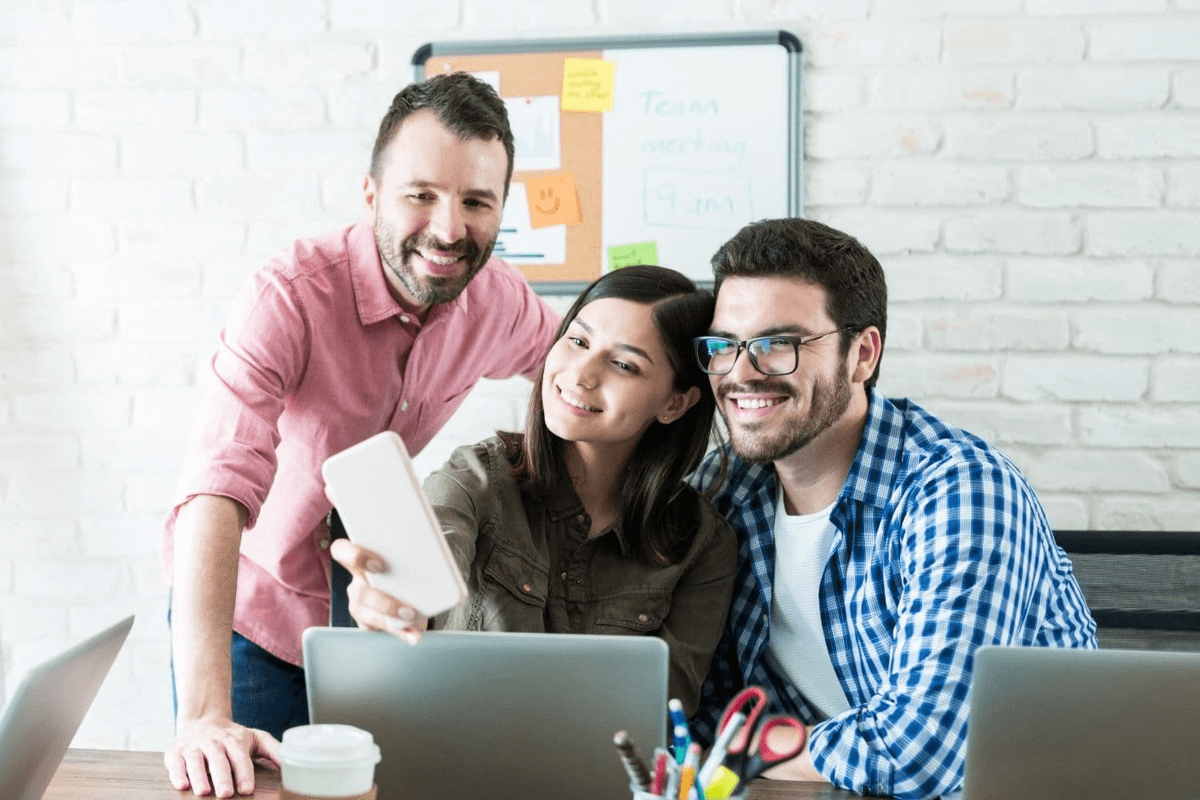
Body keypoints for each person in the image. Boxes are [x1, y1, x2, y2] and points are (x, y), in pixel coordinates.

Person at [162, 72, 560, 798]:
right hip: (253, 618)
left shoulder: (497, 301)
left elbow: (574, 371)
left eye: (476, 202)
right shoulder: (287, 296)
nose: (449, 229)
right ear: (372, 194)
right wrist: (204, 716)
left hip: (376, 631)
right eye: (421, 194)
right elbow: (215, 487)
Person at [688, 218, 1097, 800]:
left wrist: (749, 749)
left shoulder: (959, 491)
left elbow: (919, 756)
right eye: (724, 345)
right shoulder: (727, 489)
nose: (740, 372)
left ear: (862, 354)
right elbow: (697, 712)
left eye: (779, 344)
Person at [331, 265, 738, 715]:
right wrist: (393, 601)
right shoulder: (475, 478)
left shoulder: (702, 544)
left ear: (675, 403)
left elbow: (665, 708)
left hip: (604, 759)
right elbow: (437, 551)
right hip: (455, 747)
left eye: (624, 365)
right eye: (578, 342)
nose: (581, 375)